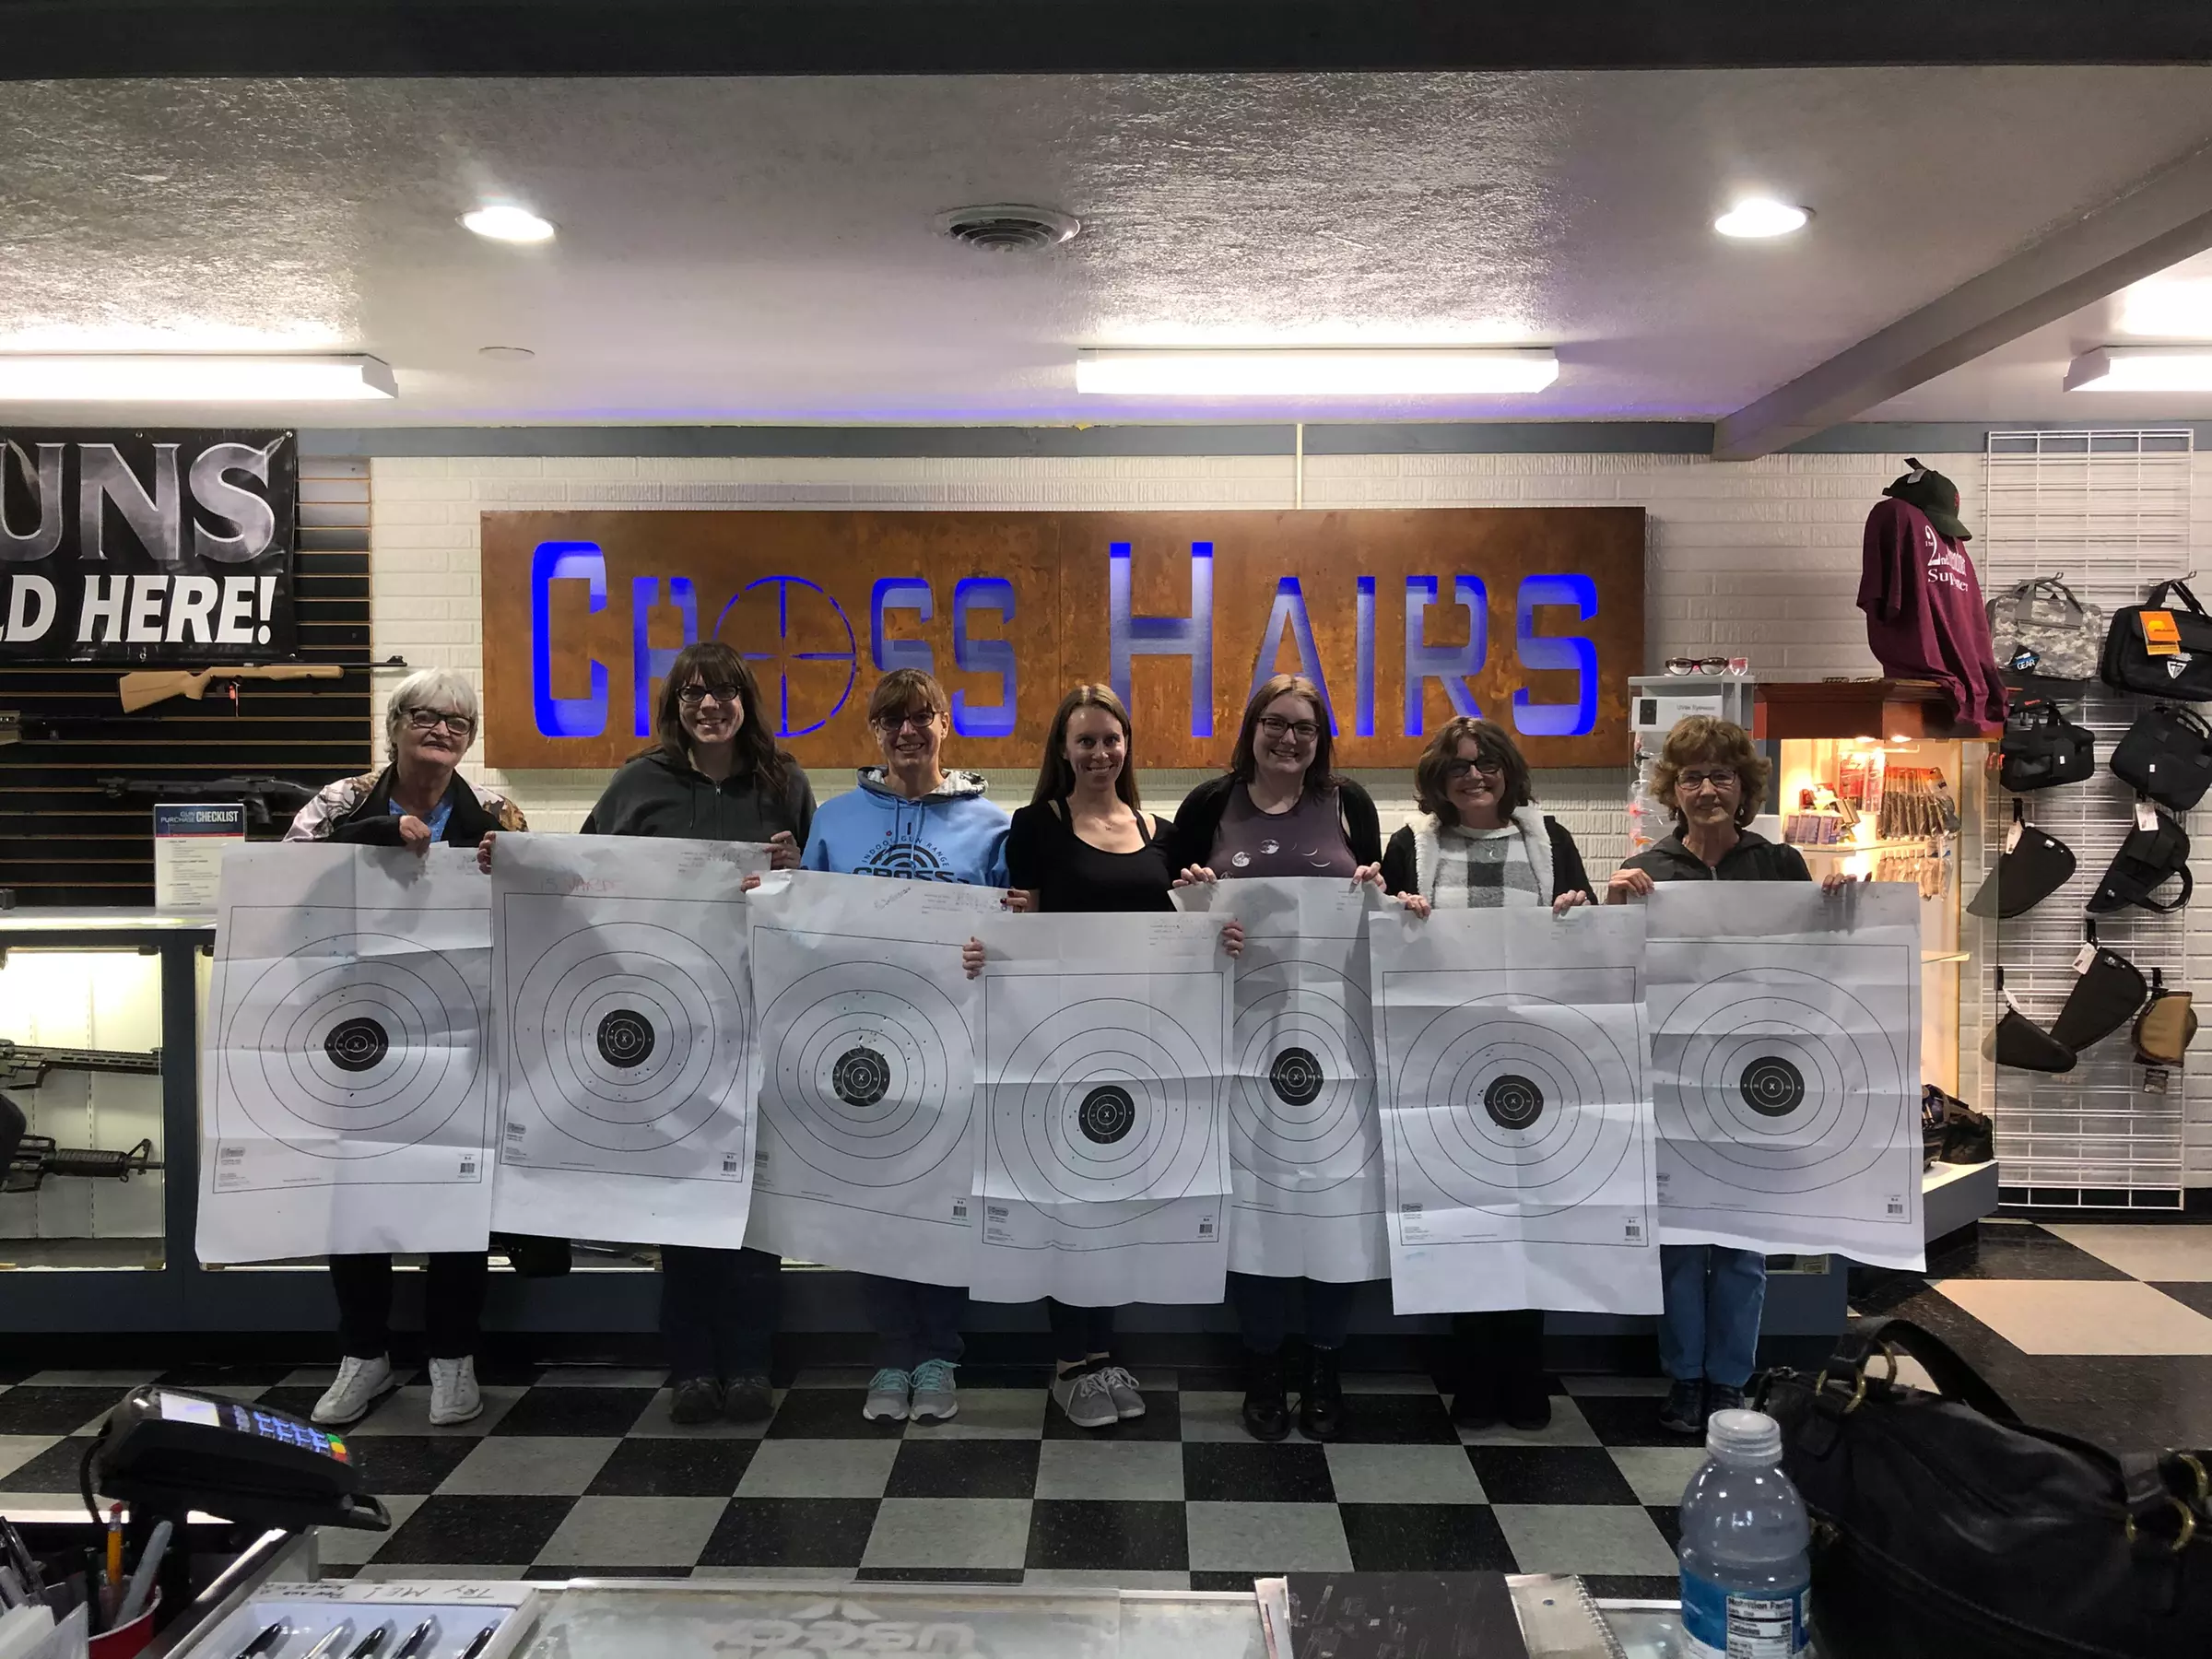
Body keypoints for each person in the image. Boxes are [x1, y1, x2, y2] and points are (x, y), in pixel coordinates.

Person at [578, 641, 811, 1426]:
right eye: (692, 694)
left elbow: (820, 891)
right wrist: (504, 860)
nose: (709, 706)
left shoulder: (785, 782)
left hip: (757, 1016)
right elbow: (580, 871)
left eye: (724, 692)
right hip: (667, 1021)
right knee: (681, 1199)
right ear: (674, 706)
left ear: (747, 701)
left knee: (754, 1200)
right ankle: (691, 1368)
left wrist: (797, 867)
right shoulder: (637, 782)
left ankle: (749, 1364)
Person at [288, 666, 527, 1430]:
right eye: (424, 715)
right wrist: (371, 839)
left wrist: (508, 867)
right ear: (393, 725)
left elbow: (539, 914)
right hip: (354, 1028)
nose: (441, 730)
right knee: (357, 1197)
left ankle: (453, 1358)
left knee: (458, 1197)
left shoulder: (496, 813)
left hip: (461, 1034)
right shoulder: (340, 802)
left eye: (457, 722)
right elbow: (279, 886)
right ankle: (364, 1354)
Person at [999, 685, 1243, 1430]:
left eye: (1111, 739)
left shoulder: (1162, 834)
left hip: (1142, 1046)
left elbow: (1186, 933)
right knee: (1068, 1200)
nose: (1100, 753)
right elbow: (1019, 926)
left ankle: (1103, 1352)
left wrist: (1217, 923)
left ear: (1126, 746)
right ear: (1063, 750)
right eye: (1085, 741)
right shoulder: (1035, 826)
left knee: (1117, 1196)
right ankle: (1070, 1362)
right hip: (1058, 1043)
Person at [1605, 715, 1852, 1436]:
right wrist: (1613, 909)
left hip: (1755, 1079)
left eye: (1722, 775)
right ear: (1672, 789)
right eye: (1692, 776)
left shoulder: (1779, 866)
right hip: (1675, 1083)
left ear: (1744, 788)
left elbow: (1817, 961)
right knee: (1681, 1244)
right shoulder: (1648, 869)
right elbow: (1611, 976)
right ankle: (1685, 1378)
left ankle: (1730, 1382)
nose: (1707, 789)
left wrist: (1840, 903)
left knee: (1743, 1247)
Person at [1169, 673, 1383, 1442]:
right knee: (1251, 1200)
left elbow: (1391, 909)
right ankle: (1262, 1366)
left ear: (1320, 741)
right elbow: (1163, 911)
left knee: (1334, 1198)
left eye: (1304, 727)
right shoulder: (1208, 804)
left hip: (1335, 1040)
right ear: (1251, 729)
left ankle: (1324, 1365)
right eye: (1275, 723)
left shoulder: (1350, 804)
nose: (1289, 738)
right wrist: (1193, 897)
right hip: (1234, 1036)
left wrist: (1379, 889)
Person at [802, 667, 1011, 1425]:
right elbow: (804, 928)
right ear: (875, 732)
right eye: (892, 720)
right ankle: (892, 1353)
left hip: (955, 1043)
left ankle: (938, 1355)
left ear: (945, 724)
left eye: (922, 716)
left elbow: (1012, 933)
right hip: (860, 1042)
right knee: (876, 1202)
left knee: (944, 1202)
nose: (908, 731)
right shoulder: (834, 821)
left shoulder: (993, 826)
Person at [1382, 716, 1596, 1434]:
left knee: (1531, 1211)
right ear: (1437, 781)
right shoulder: (1410, 845)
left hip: (1537, 1060)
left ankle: (1523, 1370)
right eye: (1458, 768)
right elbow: (1380, 937)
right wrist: (1397, 914)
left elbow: (1588, 932)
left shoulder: (1550, 839)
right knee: (1464, 1214)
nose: (1474, 777)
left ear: (1508, 770)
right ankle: (1474, 1373)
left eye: (1486, 764)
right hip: (1445, 1061)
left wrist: (1577, 911)